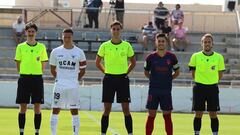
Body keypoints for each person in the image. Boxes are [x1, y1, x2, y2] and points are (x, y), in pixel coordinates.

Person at [96, 21, 136, 135]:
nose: (116, 31)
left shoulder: (126, 45)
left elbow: (133, 62)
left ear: (121, 30)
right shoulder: (104, 45)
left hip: (122, 79)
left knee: (126, 109)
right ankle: (103, 133)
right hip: (109, 79)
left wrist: (125, 73)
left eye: (118, 29)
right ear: (111, 30)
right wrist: (106, 72)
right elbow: (97, 62)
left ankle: (130, 133)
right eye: (114, 29)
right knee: (107, 109)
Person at [49, 28, 87, 135]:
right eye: (64, 37)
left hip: (73, 86)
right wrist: (60, 79)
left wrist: (74, 79)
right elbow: (52, 69)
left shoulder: (79, 52)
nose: (66, 39)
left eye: (68, 37)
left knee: (74, 110)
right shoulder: (55, 52)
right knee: (55, 109)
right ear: (62, 37)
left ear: (72, 37)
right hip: (59, 85)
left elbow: (83, 70)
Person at [15, 23, 48, 135]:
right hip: (24, 78)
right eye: (29, 31)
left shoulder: (41, 47)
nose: (30, 33)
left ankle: (37, 132)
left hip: (37, 79)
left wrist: (37, 73)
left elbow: (43, 63)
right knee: (23, 106)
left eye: (33, 31)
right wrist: (23, 73)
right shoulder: (20, 47)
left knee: (37, 106)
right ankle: (21, 132)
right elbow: (18, 63)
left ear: (35, 33)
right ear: (26, 32)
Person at [188, 34, 225, 135]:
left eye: (209, 42)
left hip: (212, 88)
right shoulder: (195, 56)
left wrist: (211, 81)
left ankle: (215, 133)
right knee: (198, 113)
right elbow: (193, 73)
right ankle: (196, 133)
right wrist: (201, 81)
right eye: (205, 42)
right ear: (202, 44)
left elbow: (220, 74)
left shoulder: (219, 57)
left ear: (212, 44)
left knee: (213, 113)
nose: (207, 44)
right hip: (199, 87)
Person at [144, 33, 180, 135]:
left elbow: (177, 72)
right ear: (156, 42)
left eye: (162, 41)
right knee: (151, 115)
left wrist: (168, 79)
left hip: (166, 91)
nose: (160, 43)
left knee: (167, 116)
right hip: (153, 90)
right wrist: (154, 79)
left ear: (166, 43)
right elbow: (146, 72)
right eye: (159, 41)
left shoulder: (172, 57)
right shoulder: (150, 57)